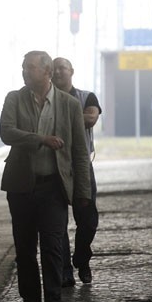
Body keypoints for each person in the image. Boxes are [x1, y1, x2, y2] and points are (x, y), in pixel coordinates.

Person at [0, 51, 91, 302]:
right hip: (21, 187)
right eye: (23, 67)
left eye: (29, 68)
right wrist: (41, 139)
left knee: (53, 246)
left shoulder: (69, 104)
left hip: (53, 187)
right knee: (25, 250)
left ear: (46, 71)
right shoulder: (14, 98)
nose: (24, 72)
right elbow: (6, 132)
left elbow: (79, 151)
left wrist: (83, 191)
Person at [52, 57, 101, 286]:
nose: (59, 72)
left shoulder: (86, 96)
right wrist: (74, 120)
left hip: (81, 164)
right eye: (54, 69)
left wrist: (62, 119)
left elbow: (91, 118)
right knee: (57, 223)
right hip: (54, 165)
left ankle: (82, 257)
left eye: (63, 68)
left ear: (72, 71)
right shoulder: (47, 99)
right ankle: (64, 272)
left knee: (88, 219)